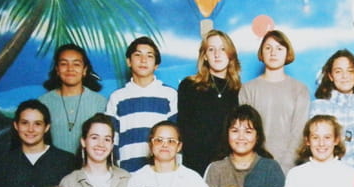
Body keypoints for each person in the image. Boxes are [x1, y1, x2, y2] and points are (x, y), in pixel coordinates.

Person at [203, 105, 284, 187]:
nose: (241, 137)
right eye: (235, 131)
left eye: (248, 131)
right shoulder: (216, 169)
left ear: (257, 136)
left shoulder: (271, 168)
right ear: (227, 134)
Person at [239, 30, 309, 173]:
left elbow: (299, 133)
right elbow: (245, 133)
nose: (273, 53)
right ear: (262, 52)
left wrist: (283, 169)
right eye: (268, 48)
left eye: (279, 48)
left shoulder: (300, 89)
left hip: (291, 168)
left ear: (287, 53)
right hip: (255, 166)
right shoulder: (248, 89)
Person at [107, 36, 177, 173]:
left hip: (162, 172)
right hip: (127, 172)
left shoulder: (170, 95)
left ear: (156, 65)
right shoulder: (117, 97)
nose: (143, 60)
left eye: (149, 56)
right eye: (138, 55)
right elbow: (112, 139)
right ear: (128, 61)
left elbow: (175, 138)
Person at [178, 29, 241, 176]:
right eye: (211, 49)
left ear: (230, 54)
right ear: (205, 56)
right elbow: (183, 129)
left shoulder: (238, 90)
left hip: (228, 166)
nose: (217, 54)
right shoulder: (189, 86)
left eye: (223, 49)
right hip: (195, 165)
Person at [310, 49, 354, 169]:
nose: (345, 76)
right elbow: (312, 144)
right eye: (338, 71)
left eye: (350, 71)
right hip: (327, 172)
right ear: (330, 76)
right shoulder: (318, 107)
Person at [39, 43, 108, 154]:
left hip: (89, 164)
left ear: (84, 70)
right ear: (57, 70)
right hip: (52, 164)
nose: (70, 69)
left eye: (76, 64)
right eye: (64, 64)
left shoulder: (101, 103)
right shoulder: (43, 103)